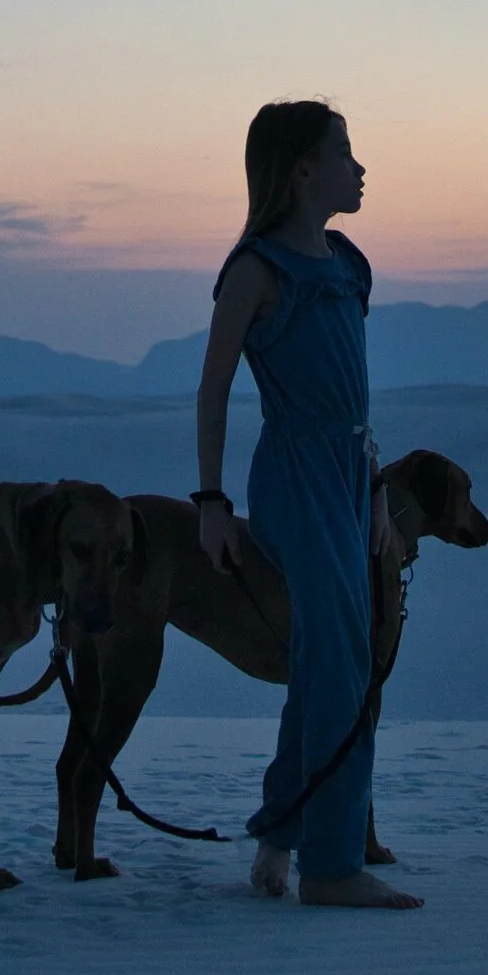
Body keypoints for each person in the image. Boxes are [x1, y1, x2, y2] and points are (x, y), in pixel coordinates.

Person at [194, 99, 422, 911]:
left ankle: (282, 833)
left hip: (350, 473)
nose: (359, 168)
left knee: (338, 659)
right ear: (300, 169)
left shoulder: (349, 262)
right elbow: (215, 386)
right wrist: (211, 501)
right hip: (293, 474)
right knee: (339, 661)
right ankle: (330, 867)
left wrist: (376, 496)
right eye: (344, 152)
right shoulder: (254, 270)